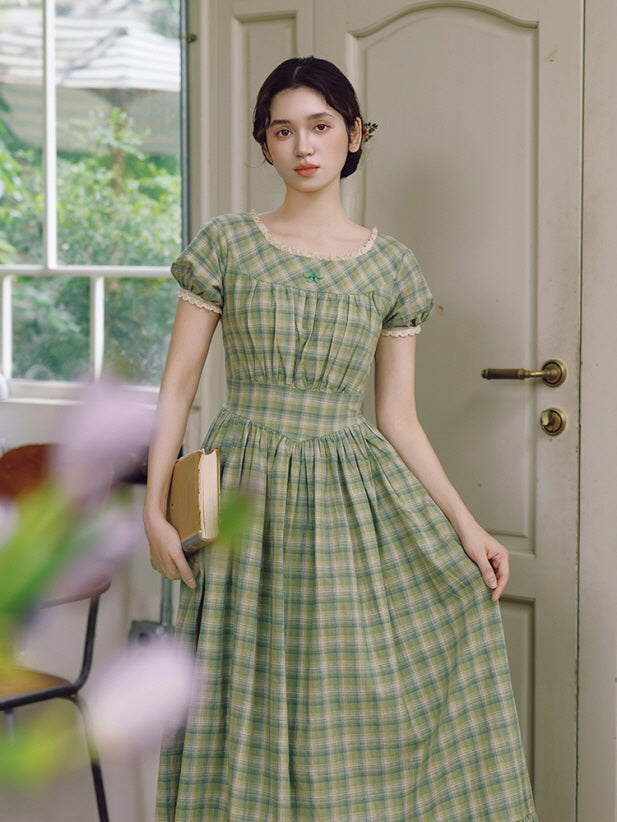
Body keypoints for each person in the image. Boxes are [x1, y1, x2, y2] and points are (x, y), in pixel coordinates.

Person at [144, 56, 537, 822]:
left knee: (340, 689)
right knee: (242, 690)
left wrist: (466, 524)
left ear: (354, 135)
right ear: (264, 145)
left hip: (348, 494)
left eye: (320, 126)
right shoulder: (227, 244)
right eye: (282, 130)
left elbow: (397, 416)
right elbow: (178, 388)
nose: (303, 146)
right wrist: (154, 508)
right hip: (243, 491)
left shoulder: (390, 266)